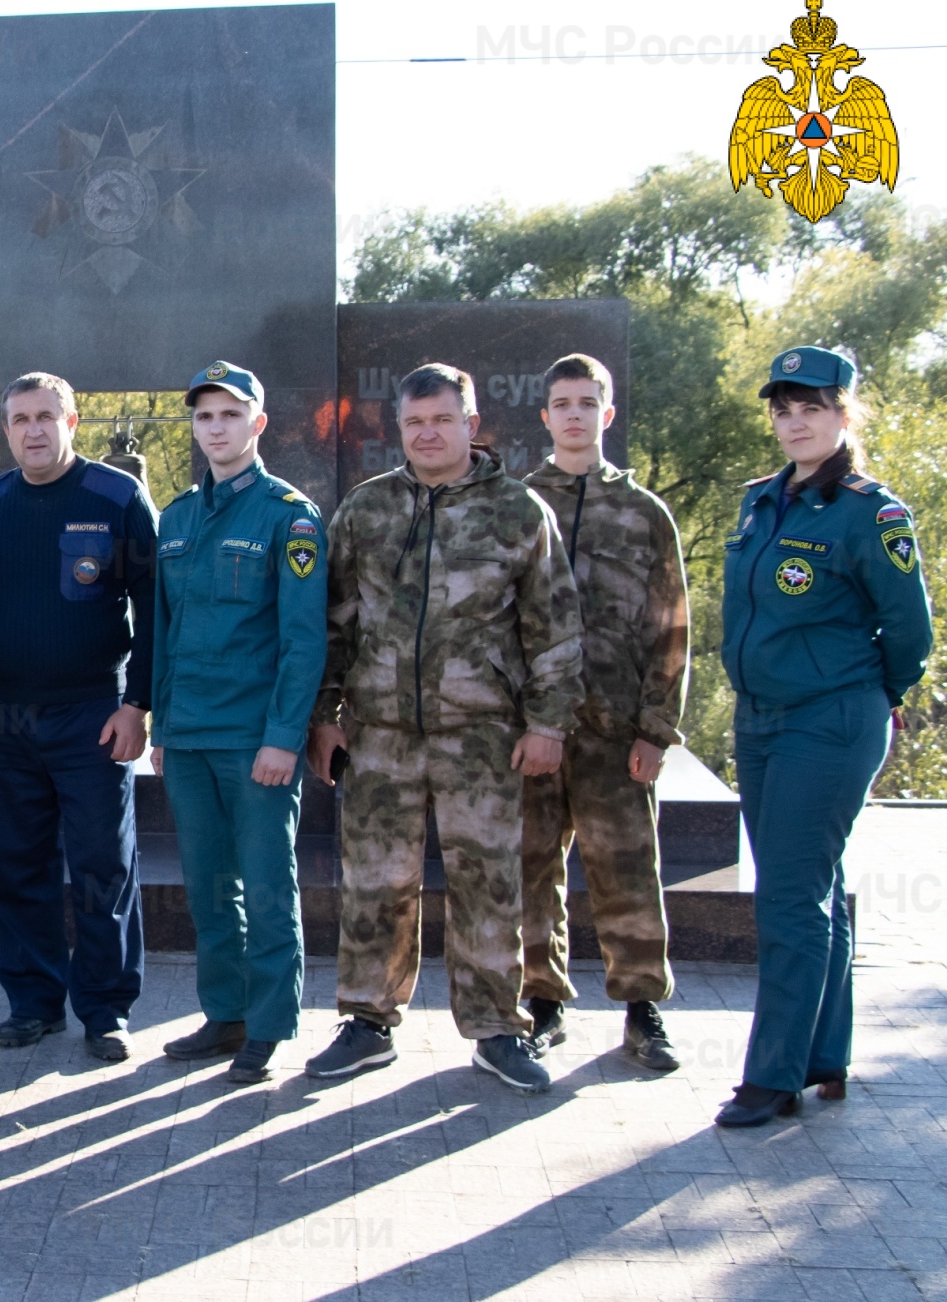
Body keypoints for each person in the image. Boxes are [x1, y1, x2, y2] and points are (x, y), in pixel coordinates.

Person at [305, 363, 584, 1094]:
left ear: (471, 422)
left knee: (487, 885)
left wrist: (549, 723)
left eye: (442, 419)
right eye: (414, 423)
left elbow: (555, 631)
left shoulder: (520, 513)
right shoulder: (367, 511)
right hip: (381, 735)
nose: (428, 434)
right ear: (399, 429)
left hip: (482, 737)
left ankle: (497, 1029)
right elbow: (333, 625)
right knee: (374, 884)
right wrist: (325, 717)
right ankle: (367, 1022)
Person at [714, 345, 933, 1127]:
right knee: (813, 891)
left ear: (845, 414)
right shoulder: (760, 501)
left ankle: (771, 1078)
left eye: (811, 407)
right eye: (783, 408)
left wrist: (879, 695)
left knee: (786, 898)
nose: (795, 421)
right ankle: (822, 1056)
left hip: (830, 719)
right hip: (762, 719)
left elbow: (910, 630)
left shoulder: (872, 513)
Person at [0, 371, 157, 1064]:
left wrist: (139, 704)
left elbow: (157, 610)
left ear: (73, 421)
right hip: (5, 718)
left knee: (102, 867)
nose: (32, 430)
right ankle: (33, 1002)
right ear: (6, 429)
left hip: (94, 714)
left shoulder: (117, 497)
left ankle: (105, 1009)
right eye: (19, 419)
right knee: (19, 865)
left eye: (45, 416)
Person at [147, 361, 326, 1083]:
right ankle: (225, 1014)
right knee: (209, 888)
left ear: (258, 423)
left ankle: (270, 1025)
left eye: (229, 414)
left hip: (255, 743)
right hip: (188, 738)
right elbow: (161, 629)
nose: (215, 428)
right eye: (203, 416)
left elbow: (304, 639)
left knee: (266, 884)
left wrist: (285, 737)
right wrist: (162, 729)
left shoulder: (290, 515)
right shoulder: (178, 518)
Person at [519, 354, 687, 1072]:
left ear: (607, 414)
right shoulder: (517, 502)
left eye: (588, 402)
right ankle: (543, 1002)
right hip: (532, 730)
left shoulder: (644, 513)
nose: (575, 414)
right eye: (562, 403)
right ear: (546, 416)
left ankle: (642, 1009)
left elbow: (671, 625)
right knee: (530, 866)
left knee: (625, 868)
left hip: (616, 730)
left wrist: (657, 728)